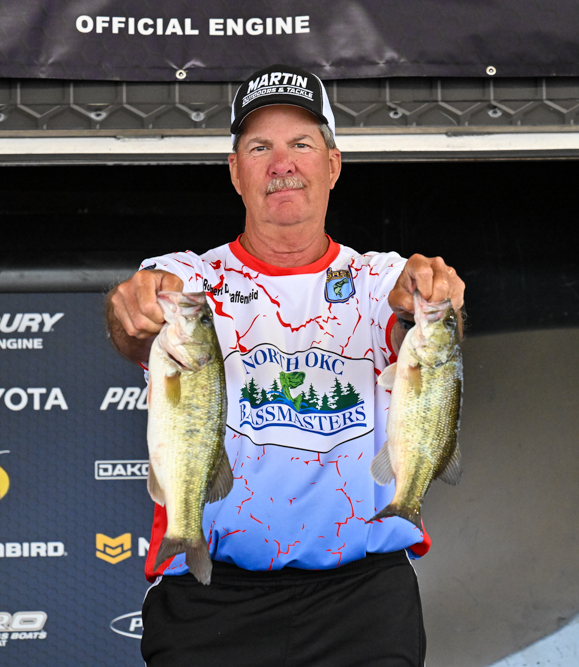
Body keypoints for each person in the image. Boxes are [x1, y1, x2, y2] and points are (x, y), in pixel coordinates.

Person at [105, 64, 464, 667]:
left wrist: (433, 298)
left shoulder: (380, 277)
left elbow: (432, 345)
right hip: (212, 598)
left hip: (363, 600)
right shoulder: (192, 278)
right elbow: (133, 328)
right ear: (235, 171)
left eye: (301, 144)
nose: (282, 164)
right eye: (259, 148)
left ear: (334, 165)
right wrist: (132, 307)